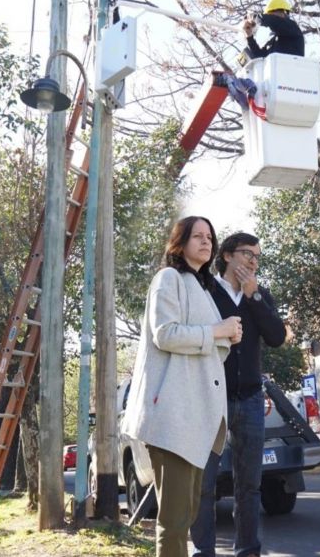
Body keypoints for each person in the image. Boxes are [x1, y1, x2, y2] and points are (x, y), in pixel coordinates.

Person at [122, 216, 243, 557]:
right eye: (197, 236)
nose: (206, 242)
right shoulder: (169, 278)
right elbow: (166, 334)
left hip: (195, 416)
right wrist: (218, 331)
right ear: (180, 242)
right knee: (174, 520)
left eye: (209, 237)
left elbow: (202, 347)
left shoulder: (200, 286)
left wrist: (226, 337)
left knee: (186, 514)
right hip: (173, 415)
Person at [190, 232, 286, 557]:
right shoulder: (204, 291)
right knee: (203, 483)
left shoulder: (259, 295)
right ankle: (203, 551)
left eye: (257, 257)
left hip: (250, 400)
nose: (253, 262)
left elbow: (276, 336)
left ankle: (248, 551)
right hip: (210, 401)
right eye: (248, 254)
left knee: (249, 485)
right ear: (228, 255)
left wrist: (254, 296)